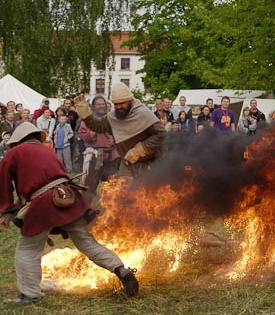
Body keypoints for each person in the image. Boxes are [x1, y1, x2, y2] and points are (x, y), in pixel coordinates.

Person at [0, 122, 139, 304]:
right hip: (68, 198)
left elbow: (3, 184)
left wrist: (5, 208)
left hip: (44, 204)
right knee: (88, 243)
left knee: (27, 250)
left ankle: (30, 295)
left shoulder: (14, 153)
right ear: (35, 138)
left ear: (17, 141)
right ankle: (121, 270)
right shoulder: (48, 151)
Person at [75, 83, 166, 177]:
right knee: (121, 189)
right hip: (127, 163)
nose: (119, 107)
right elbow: (97, 126)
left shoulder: (143, 113)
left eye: (122, 103)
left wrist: (141, 149)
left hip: (150, 163)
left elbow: (161, 134)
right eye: (116, 104)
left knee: (150, 190)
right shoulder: (113, 117)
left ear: (129, 101)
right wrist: (85, 113)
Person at [78, 96, 120, 200]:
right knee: (90, 186)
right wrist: (96, 124)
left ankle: (110, 212)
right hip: (95, 156)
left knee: (111, 185)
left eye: (103, 104)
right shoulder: (87, 121)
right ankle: (86, 211)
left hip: (112, 156)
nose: (101, 106)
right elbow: (85, 137)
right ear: (93, 106)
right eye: (98, 104)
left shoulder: (112, 119)